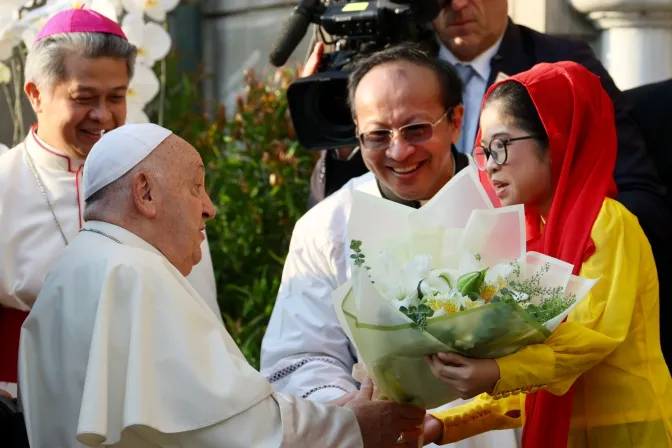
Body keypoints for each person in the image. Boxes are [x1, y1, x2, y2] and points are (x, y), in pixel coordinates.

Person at [304, 0, 672, 367]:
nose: (459, 4)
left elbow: (634, 190)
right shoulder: (394, 66)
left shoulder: (559, 65)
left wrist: (544, 261)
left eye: (417, 127)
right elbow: (346, 210)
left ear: (455, 119)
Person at [17, 122, 427, 447]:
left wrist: (336, 418)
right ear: (144, 192)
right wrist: (352, 429)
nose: (210, 208)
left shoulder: (72, 271)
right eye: (196, 186)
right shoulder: (134, 273)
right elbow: (240, 431)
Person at [261, 44, 520, 448]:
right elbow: (301, 357)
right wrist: (355, 413)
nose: (399, 151)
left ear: (456, 120)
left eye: (417, 129)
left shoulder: (511, 203)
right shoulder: (327, 225)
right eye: (378, 135)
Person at [420, 61, 672, 447]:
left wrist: (497, 369)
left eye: (501, 146)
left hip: (626, 430)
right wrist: (447, 423)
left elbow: (588, 340)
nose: (489, 166)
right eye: (484, 150)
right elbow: (538, 375)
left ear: (554, 138)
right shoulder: (529, 237)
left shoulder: (607, 222)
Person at [0, 8, 220, 398]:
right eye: (84, 98)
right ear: (35, 94)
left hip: (145, 406)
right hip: (20, 407)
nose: (103, 115)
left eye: (116, 97)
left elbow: (199, 313)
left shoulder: (160, 182)